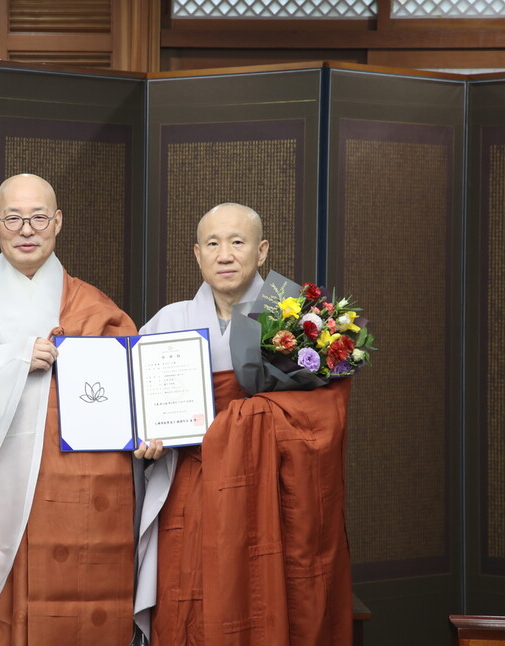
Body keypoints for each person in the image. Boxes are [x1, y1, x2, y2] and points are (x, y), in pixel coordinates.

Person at [0, 173, 140, 645]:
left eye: (39, 217)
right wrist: (16, 357)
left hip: (73, 489)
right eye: (15, 218)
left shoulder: (94, 306)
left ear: (57, 222)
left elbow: (130, 391)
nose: (27, 229)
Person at [135, 203, 353, 646]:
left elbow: (324, 415)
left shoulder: (299, 319)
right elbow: (139, 410)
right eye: (213, 244)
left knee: (267, 589)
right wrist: (144, 442)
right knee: (189, 594)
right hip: (192, 484)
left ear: (262, 251)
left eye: (238, 242)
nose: (225, 254)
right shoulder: (168, 322)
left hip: (272, 487)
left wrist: (245, 419)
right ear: (197, 254)